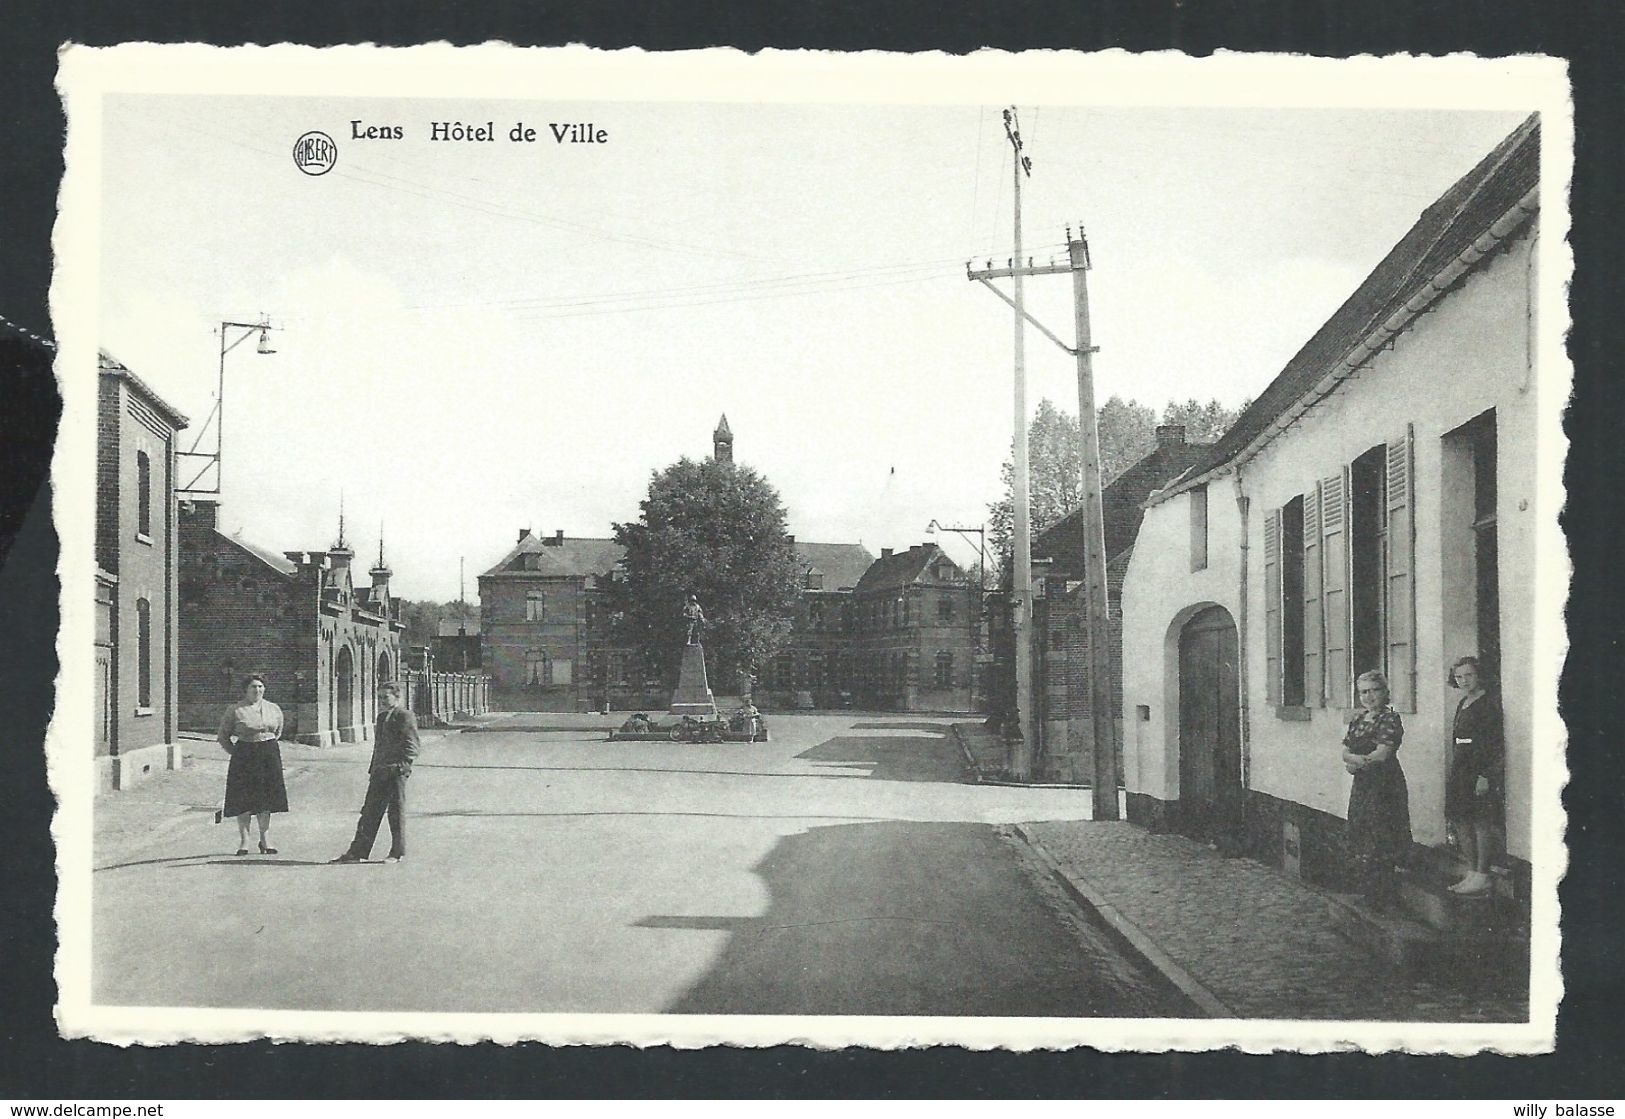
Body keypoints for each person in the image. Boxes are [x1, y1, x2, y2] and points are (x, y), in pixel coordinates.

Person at [1341, 669, 1412, 907]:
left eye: (1374, 691)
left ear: (1385, 692)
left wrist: (1357, 762)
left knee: (1383, 832)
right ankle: (1369, 891)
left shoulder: (1389, 719)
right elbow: (1344, 752)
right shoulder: (1359, 720)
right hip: (1363, 784)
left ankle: (1386, 895)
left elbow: (1383, 753)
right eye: (1364, 692)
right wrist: (1356, 761)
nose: (1369, 697)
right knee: (1362, 830)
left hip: (1385, 784)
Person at [331, 681, 421, 864]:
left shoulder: (405, 716)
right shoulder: (381, 718)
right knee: (369, 811)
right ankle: (357, 852)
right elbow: (378, 747)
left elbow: (412, 746)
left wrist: (402, 767)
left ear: (397, 697)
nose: (381, 700)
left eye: (385, 697)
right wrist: (373, 769)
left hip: (396, 771)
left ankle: (397, 853)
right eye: (379, 697)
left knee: (395, 812)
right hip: (380, 771)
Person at [1445, 656, 1504, 895]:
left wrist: (1485, 775)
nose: (1464, 680)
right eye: (1459, 677)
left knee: (1481, 821)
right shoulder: (1463, 703)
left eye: (1468, 675)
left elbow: (1494, 744)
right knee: (1461, 819)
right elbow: (1459, 738)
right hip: (1461, 768)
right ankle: (1471, 871)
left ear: (1478, 675)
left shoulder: (1488, 703)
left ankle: (1483, 873)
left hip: (1479, 770)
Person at [217, 674, 289, 856]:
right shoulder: (235, 710)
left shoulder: (274, 708)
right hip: (244, 756)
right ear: (245, 690)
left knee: (266, 800)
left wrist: (266, 745)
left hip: (268, 755)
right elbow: (223, 737)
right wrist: (237, 754)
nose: (257, 690)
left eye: (260, 687)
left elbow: (278, 732)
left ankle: (265, 839)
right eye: (253, 687)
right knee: (244, 800)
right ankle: (244, 841)